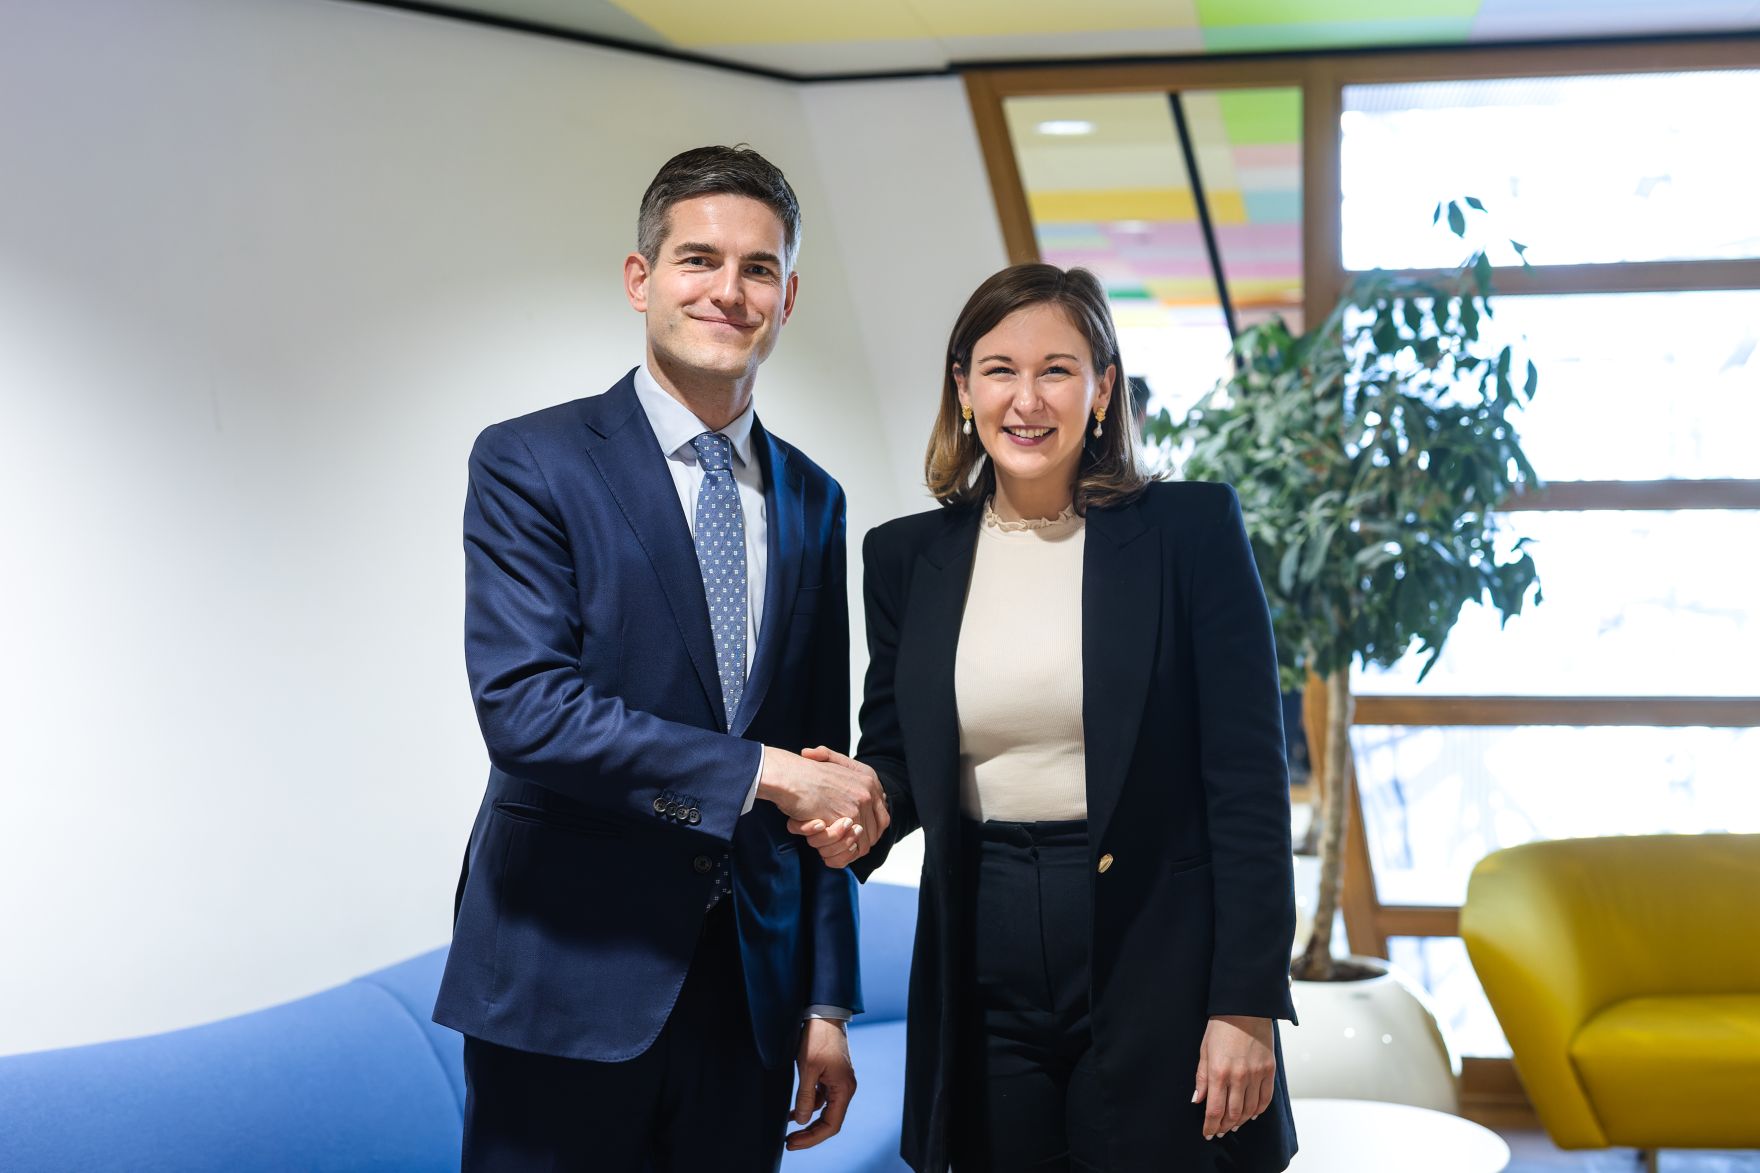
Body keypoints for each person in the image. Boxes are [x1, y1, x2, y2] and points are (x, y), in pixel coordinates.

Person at [432, 144, 889, 1172]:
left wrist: (824, 1001)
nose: (728, 291)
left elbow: (820, 752)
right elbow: (527, 711)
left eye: (758, 268)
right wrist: (766, 774)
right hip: (563, 983)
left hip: (747, 1003)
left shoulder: (814, 499)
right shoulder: (530, 462)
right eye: (698, 260)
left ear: (788, 295)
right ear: (641, 279)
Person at [796, 264, 1299, 1171]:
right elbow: (902, 756)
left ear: (1102, 387)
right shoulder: (907, 557)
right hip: (980, 954)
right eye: (998, 369)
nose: (1026, 399)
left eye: (1057, 369)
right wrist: (858, 804)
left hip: (1159, 956)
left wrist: (1246, 1002)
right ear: (962, 387)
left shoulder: (1189, 533)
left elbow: (1248, 783)